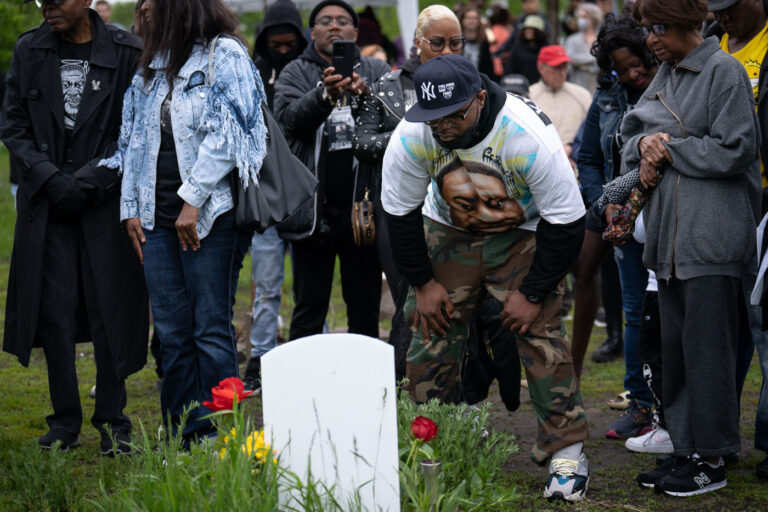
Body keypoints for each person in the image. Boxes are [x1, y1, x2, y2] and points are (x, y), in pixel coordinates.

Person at [382, 54, 590, 502]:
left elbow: (568, 221)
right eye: (433, 118)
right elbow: (399, 214)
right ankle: (429, 446)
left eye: (453, 116)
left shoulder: (525, 136)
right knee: (430, 331)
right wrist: (423, 283)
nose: (442, 128)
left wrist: (532, 292)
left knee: (539, 332)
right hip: (449, 228)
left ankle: (567, 453)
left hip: (525, 230)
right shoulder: (412, 135)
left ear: (479, 98)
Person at [102, 0, 266, 444]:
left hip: (208, 216)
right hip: (154, 218)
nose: (144, 11)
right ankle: (183, 435)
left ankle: (222, 436)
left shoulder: (224, 54)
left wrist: (192, 200)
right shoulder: (150, 65)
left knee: (209, 328)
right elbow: (132, 140)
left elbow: (231, 133)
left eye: (153, 4)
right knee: (172, 333)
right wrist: (130, 207)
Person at [0, 0, 146, 455]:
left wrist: (90, 180)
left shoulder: (126, 51)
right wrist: (49, 177)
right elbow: (13, 124)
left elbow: (135, 128)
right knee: (54, 312)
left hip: (104, 201)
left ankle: (113, 422)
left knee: (110, 309)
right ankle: (64, 421)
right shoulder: (29, 49)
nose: (48, 5)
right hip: (47, 204)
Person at [626, 0, 760, 495]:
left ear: (686, 22)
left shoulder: (723, 70)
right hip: (669, 241)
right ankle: (686, 450)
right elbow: (633, 130)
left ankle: (713, 459)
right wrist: (643, 146)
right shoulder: (668, 71)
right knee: (678, 354)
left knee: (708, 356)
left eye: (659, 27)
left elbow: (738, 148)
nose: (651, 39)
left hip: (711, 236)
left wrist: (669, 147)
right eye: (647, 29)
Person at [354, 4, 463, 380]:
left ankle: (451, 390)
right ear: (417, 43)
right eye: (437, 42)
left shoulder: (468, 83)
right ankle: (403, 385)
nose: (447, 50)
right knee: (409, 297)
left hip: (456, 206)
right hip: (398, 208)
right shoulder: (388, 85)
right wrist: (415, 135)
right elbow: (362, 142)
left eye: (455, 43)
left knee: (457, 297)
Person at [273, 0, 390, 341]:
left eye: (342, 20)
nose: (334, 26)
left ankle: (367, 375)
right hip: (314, 210)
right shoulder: (295, 71)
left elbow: (395, 124)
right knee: (309, 307)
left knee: (365, 307)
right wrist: (325, 95)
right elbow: (287, 123)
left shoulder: (377, 71)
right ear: (312, 32)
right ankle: (304, 374)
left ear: (355, 31)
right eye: (325, 21)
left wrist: (365, 97)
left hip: (363, 210)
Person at [569, 17, 658, 446]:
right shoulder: (606, 98)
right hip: (621, 219)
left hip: (666, 217)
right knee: (633, 309)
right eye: (622, 70)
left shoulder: (671, 88)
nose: (632, 75)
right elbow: (587, 156)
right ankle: (639, 404)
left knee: (665, 313)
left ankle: (667, 406)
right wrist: (603, 204)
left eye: (636, 64)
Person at [705, 0, 768, 479]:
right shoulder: (711, 43)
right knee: (723, 329)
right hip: (723, 203)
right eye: (716, 9)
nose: (723, 16)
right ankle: (718, 440)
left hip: (764, 201)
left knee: (763, 323)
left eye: (730, 7)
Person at [243, 0, 306, 394]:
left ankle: (313, 349)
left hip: (302, 196)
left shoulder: (309, 73)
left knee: (308, 289)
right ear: (264, 40)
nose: (282, 50)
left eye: (289, 44)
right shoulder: (251, 73)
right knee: (265, 286)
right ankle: (261, 359)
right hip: (265, 195)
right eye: (275, 44)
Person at [529, 45, 592, 166]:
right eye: (556, 68)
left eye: (564, 67)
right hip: (538, 166)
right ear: (541, 67)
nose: (562, 73)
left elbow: (592, 133)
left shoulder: (582, 96)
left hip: (576, 166)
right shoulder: (529, 97)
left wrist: (573, 149)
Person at [563, 2, 602, 93]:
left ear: (593, 18)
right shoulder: (572, 39)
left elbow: (604, 61)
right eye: (579, 17)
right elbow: (570, 58)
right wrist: (594, 58)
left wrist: (584, 66)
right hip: (577, 86)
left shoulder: (601, 39)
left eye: (584, 17)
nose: (580, 20)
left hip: (598, 87)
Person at [505, 14, 547, 84]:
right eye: (526, 29)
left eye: (531, 29)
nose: (528, 31)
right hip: (520, 86)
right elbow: (510, 70)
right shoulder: (517, 49)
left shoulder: (546, 49)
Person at [458, 6, 496, 80]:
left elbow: (488, 67)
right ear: (462, 20)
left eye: (474, 18)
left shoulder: (484, 42)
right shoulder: (456, 41)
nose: (471, 21)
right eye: (468, 18)